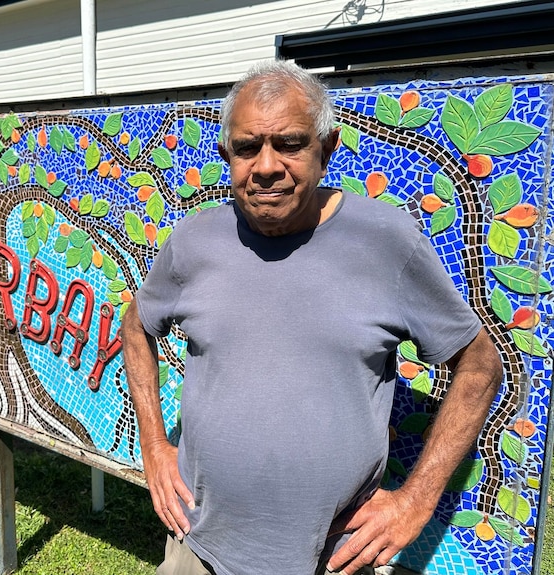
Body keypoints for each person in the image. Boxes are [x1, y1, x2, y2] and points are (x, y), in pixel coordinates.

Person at [120, 59, 502, 575]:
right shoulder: (194, 241)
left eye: (291, 144)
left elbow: (480, 366)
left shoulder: (387, 241)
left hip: (334, 559)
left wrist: (416, 499)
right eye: (248, 147)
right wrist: (154, 445)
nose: (267, 165)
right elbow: (136, 325)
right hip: (199, 545)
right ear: (226, 155)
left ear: (326, 150)